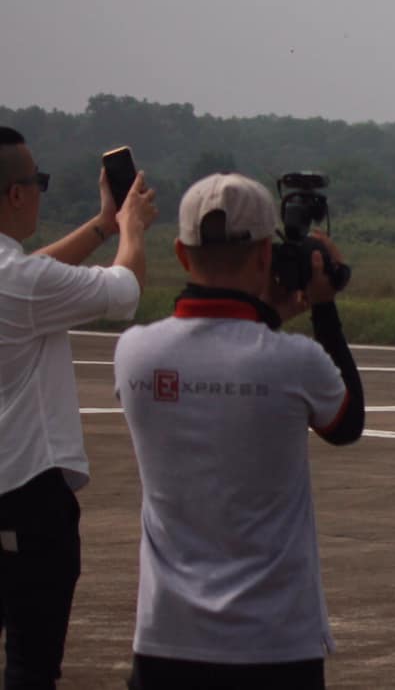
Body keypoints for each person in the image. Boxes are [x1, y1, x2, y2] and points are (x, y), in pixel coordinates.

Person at [114, 174, 364, 690]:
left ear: (183, 255)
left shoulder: (135, 353)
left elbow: (216, 353)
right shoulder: (296, 361)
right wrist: (322, 305)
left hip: (167, 636)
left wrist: (262, 316)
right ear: (265, 257)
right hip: (275, 641)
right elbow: (346, 423)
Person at [0, 127, 155, 690]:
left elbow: (33, 276)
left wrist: (100, 226)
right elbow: (127, 287)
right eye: (36, 182)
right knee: (31, 667)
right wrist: (130, 229)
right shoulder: (20, 285)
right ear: (16, 195)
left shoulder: (17, 281)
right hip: (26, 495)